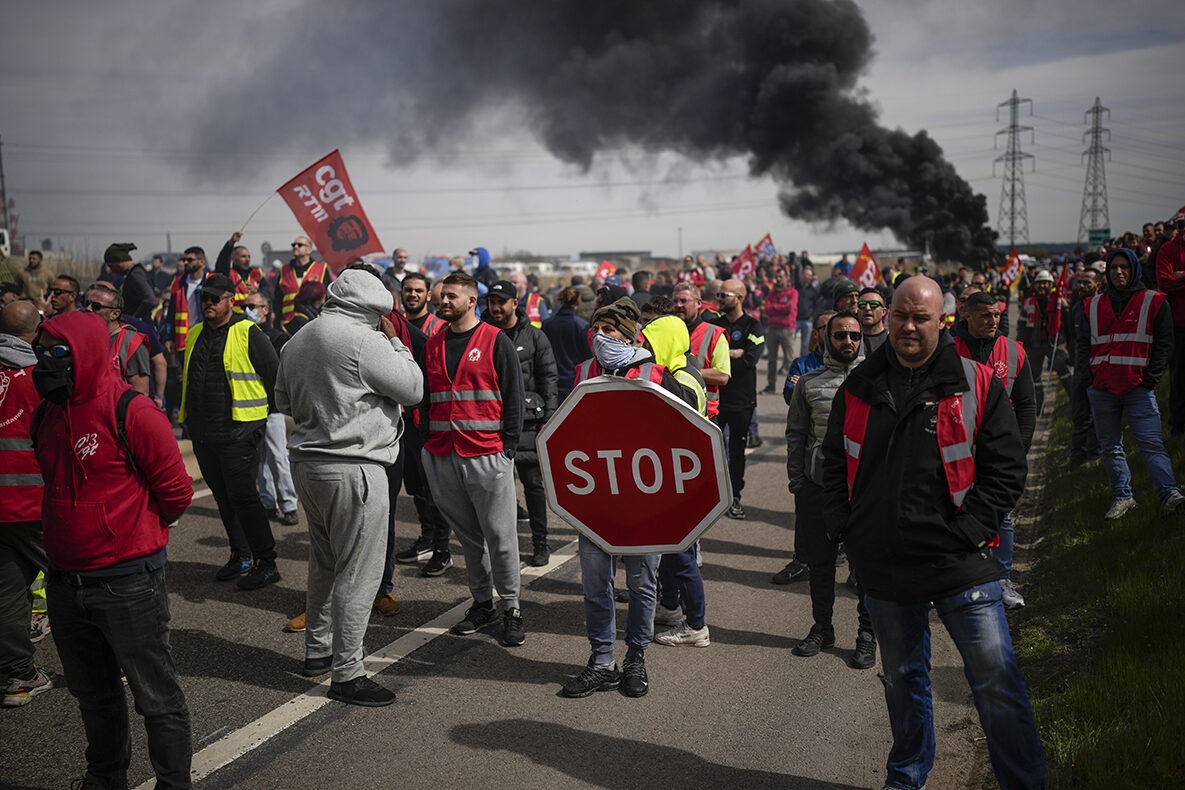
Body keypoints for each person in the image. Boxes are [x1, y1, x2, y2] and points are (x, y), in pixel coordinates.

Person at [822, 276, 1044, 790]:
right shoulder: (859, 385)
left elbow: (1006, 469)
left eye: (920, 317)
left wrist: (970, 531)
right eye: (900, 314)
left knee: (996, 681)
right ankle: (907, 776)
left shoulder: (977, 381)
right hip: (885, 565)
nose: (907, 326)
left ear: (942, 319)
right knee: (902, 681)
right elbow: (831, 463)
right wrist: (846, 530)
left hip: (960, 562)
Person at [33, 310, 194, 789]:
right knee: (93, 697)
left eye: (56, 353)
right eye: (40, 353)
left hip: (127, 584)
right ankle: (104, 780)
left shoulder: (134, 411)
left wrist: (129, 534)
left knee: (156, 698)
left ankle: (174, 783)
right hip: (64, 583)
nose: (44, 363)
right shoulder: (47, 412)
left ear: (84, 353)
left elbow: (177, 493)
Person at [275, 269, 422, 706]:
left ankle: (318, 650)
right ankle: (348, 672)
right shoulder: (365, 339)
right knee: (360, 573)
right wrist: (396, 342)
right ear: (374, 308)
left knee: (325, 564)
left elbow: (283, 400)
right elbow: (412, 389)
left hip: (308, 464)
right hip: (355, 465)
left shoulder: (299, 338)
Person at [561, 299, 675, 698]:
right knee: (596, 585)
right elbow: (565, 434)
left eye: (611, 332)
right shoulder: (581, 373)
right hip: (596, 504)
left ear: (630, 336)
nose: (601, 338)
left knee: (643, 585)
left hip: (646, 505)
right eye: (598, 330)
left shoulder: (656, 375)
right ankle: (602, 661)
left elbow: (682, 440)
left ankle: (636, 658)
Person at [421, 272, 526, 647]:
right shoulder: (433, 343)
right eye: (440, 296)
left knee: (500, 537)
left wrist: (508, 447)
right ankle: (483, 604)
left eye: (450, 296)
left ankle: (511, 607)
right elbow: (425, 398)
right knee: (468, 539)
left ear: (470, 300)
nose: (442, 302)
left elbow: (514, 396)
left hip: (487, 452)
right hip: (442, 452)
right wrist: (426, 447)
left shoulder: (495, 340)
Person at [180, 273, 282, 589]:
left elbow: (274, 375)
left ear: (230, 300)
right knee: (223, 498)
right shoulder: (195, 333)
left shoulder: (247, 332)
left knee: (244, 498)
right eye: (204, 298)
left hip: (240, 431)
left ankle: (267, 562)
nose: (208, 303)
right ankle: (241, 555)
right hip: (204, 432)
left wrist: (262, 419)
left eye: (214, 298)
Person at [786, 311, 875, 668]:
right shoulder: (808, 384)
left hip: (865, 493)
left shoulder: (877, 380)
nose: (848, 342)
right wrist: (798, 484)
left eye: (854, 335)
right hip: (818, 491)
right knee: (821, 566)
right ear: (826, 339)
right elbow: (796, 435)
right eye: (840, 336)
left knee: (865, 568)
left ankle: (867, 634)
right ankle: (822, 627)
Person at [1075, 248, 1184, 519]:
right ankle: (1123, 497)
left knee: (1151, 444)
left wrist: (1151, 380)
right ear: (1107, 273)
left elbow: (1164, 345)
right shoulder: (1093, 304)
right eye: (1113, 268)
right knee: (1111, 447)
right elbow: (1083, 344)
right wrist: (1088, 381)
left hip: (1138, 388)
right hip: (1102, 389)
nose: (1118, 272)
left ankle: (1169, 494)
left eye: (1124, 267)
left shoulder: (1155, 301)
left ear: (1134, 269)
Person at [952, 291, 1037, 610]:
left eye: (997, 315)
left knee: (1002, 515)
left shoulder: (1014, 351)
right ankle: (953, 577)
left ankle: (1001, 579)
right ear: (966, 315)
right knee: (951, 511)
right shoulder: (946, 348)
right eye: (985, 315)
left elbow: (1027, 403)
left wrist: (1021, 445)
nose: (992, 321)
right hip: (953, 448)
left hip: (998, 451)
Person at [484, 280, 558, 566]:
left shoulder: (535, 337)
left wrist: (548, 419)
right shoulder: (484, 335)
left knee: (533, 485)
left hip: (529, 422)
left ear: (515, 303)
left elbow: (549, 378)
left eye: (502, 301)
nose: (496, 307)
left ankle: (541, 541)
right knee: (495, 488)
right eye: (492, 301)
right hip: (493, 422)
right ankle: (502, 548)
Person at [0, 301, 51, 707]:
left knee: (8, 593)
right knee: (83, 582)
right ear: (36, 332)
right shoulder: (39, 378)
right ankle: (114, 663)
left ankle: (18, 677)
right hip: (35, 504)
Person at [708, 279, 764, 519]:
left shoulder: (754, 326)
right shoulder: (713, 324)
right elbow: (706, 360)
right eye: (718, 294)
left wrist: (723, 359)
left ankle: (734, 497)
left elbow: (748, 361)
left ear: (739, 297)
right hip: (715, 400)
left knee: (737, 452)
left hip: (742, 401)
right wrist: (732, 353)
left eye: (725, 294)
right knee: (710, 452)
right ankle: (711, 498)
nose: (719, 298)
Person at [242, 294, 299, 526]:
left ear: (265, 309)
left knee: (277, 456)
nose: (247, 310)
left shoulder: (275, 337)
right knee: (261, 458)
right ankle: (268, 502)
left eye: (252, 306)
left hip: (272, 406)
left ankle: (288, 504)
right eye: (245, 306)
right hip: (250, 406)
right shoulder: (242, 333)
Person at [672, 282, 730, 420]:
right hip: (674, 410)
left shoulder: (714, 334)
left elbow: (722, 376)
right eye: (675, 301)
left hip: (704, 414)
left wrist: (683, 373)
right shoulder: (668, 332)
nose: (678, 305)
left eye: (683, 301)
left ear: (698, 303)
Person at [1018, 269, 1069, 415]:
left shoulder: (1058, 301)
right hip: (1034, 345)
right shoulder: (1028, 302)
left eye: (1045, 283)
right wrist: (1020, 346)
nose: (1042, 286)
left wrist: (1065, 308)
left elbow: (1068, 323)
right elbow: (1021, 325)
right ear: (1035, 285)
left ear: (1051, 285)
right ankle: (1037, 410)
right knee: (1035, 379)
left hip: (1054, 344)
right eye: (1039, 283)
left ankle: (1074, 403)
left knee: (1064, 372)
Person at [1066, 268, 1102, 464]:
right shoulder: (1076, 306)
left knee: (1098, 415)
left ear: (1098, 286)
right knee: (1079, 414)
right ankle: (1077, 457)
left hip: (1098, 368)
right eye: (1079, 282)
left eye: (1087, 283)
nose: (1081, 286)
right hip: (1080, 367)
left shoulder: (1103, 305)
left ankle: (1094, 456)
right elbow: (1074, 335)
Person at [1155, 211, 1185, 435]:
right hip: (1179, 323)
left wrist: (1182, 276)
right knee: (1179, 374)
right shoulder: (1168, 249)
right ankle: (1178, 424)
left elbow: (1174, 281)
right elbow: (1165, 284)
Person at [542, 286, 593, 402]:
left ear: (560, 301)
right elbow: (588, 356)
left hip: (552, 379)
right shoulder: (582, 326)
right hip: (574, 380)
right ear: (578, 302)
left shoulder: (547, 324)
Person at [274, 236, 333, 325]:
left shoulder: (321, 268)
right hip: (288, 323)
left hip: (314, 321)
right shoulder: (284, 270)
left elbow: (329, 297)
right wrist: (278, 320)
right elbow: (277, 299)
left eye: (299, 245)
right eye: (294, 245)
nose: (295, 247)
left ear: (309, 250)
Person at [761, 268, 798, 394]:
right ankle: (771, 386)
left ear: (786, 278)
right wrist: (779, 308)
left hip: (786, 328)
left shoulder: (792, 292)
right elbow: (766, 309)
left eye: (781, 277)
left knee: (789, 359)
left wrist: (774, 308)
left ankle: (794, 387)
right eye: (777, 277)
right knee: (772, 360)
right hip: (772, 328)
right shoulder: (772, 293)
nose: (778, 279)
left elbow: (789, 308)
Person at [214, 231, 268, 309]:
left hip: (254, 318)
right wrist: (231, 243)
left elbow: (269, 293)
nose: (247, 259)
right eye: (243, 256)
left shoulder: (257, 273)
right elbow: (221, 263)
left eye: (249, 256)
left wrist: (257, 292)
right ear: (233, 258)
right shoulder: (229, 273)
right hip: (235, 317)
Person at [103, 243, 156, 322]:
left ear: (119, 263)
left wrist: (133, 319)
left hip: (139, 327)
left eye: (111, 266)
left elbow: (150, 300)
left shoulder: (135, 274)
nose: (112, 270)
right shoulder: (131, 274)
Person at [855, 287, 888, 355]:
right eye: (862, 304)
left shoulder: (892, 340)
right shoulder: (850, 339)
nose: (867, 308)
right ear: (858, 311)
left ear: (883, 312)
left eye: (874, 304)